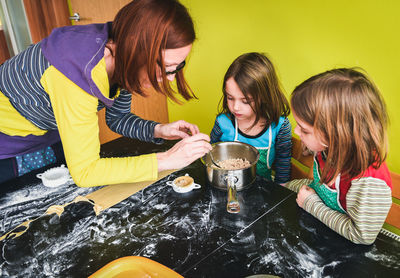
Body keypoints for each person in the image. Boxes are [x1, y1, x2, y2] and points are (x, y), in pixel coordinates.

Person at [0, 0, 212, 186]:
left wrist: (160, 130)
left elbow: (117, 118)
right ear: (136, 50)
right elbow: (85, 172)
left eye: (178, 66)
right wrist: (166, 159)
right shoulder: (74, 74)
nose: (171, 78)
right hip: (8, 142)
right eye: (166, 68)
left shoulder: (124, 55)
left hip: (49, 132)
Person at [286, 68, 392, 245]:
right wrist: (309, 146)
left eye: (304, 129)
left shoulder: (369, 183)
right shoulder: (330, 146)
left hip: (342, 243)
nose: (296, 131)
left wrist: (311, 204)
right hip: (315, 208)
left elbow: (362, 236)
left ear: (337, 135)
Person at [210, 52, 292, 184]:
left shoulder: (280, 126)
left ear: (265, 96)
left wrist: (280, 188)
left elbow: (283, 160)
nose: (236, 107)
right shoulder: (223, 123)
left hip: (263, 189)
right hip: (227, 186)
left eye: (246, 101)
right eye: (230, 98)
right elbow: (210, 153)